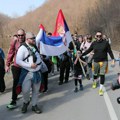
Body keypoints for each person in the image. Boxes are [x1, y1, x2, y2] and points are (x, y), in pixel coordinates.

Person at [16, 32, 42, 114]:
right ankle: (26, 102)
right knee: (25, 90)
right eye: (32, 38)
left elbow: (39, 58)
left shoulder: (35, 46)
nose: (34, 39)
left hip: (37, 72)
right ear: (27, 39)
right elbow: (18, 61)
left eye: (34, 38)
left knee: (36, 90)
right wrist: (30, 65)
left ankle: (34, 105)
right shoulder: (22, 48)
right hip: (27, 72)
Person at [82, 31, 115, 96]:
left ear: (102, 36)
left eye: (100, 36)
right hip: (96, 61)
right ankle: (94, 82)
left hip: (104, 61)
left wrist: (113, 59)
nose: (99, 37)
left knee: (102, 74)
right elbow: (89, 50)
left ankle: (101, 89)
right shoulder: (94, 43)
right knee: (95, 73)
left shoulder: (106, 43)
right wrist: (81, 54)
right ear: (95, 36)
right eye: (97, 36)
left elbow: (110, 51)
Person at [6, 29, 26, 109]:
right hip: (16, 65)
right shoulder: (14, 42)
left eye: (22, 35)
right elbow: (11, 53)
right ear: (17, 35)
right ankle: (13, 100)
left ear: (24, 35)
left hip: (26, 66)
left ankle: (26, 98)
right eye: (19, 35)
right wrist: (7, 64)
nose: (20, 37)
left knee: (26, 82)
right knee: (16, 82)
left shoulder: (27, 42)